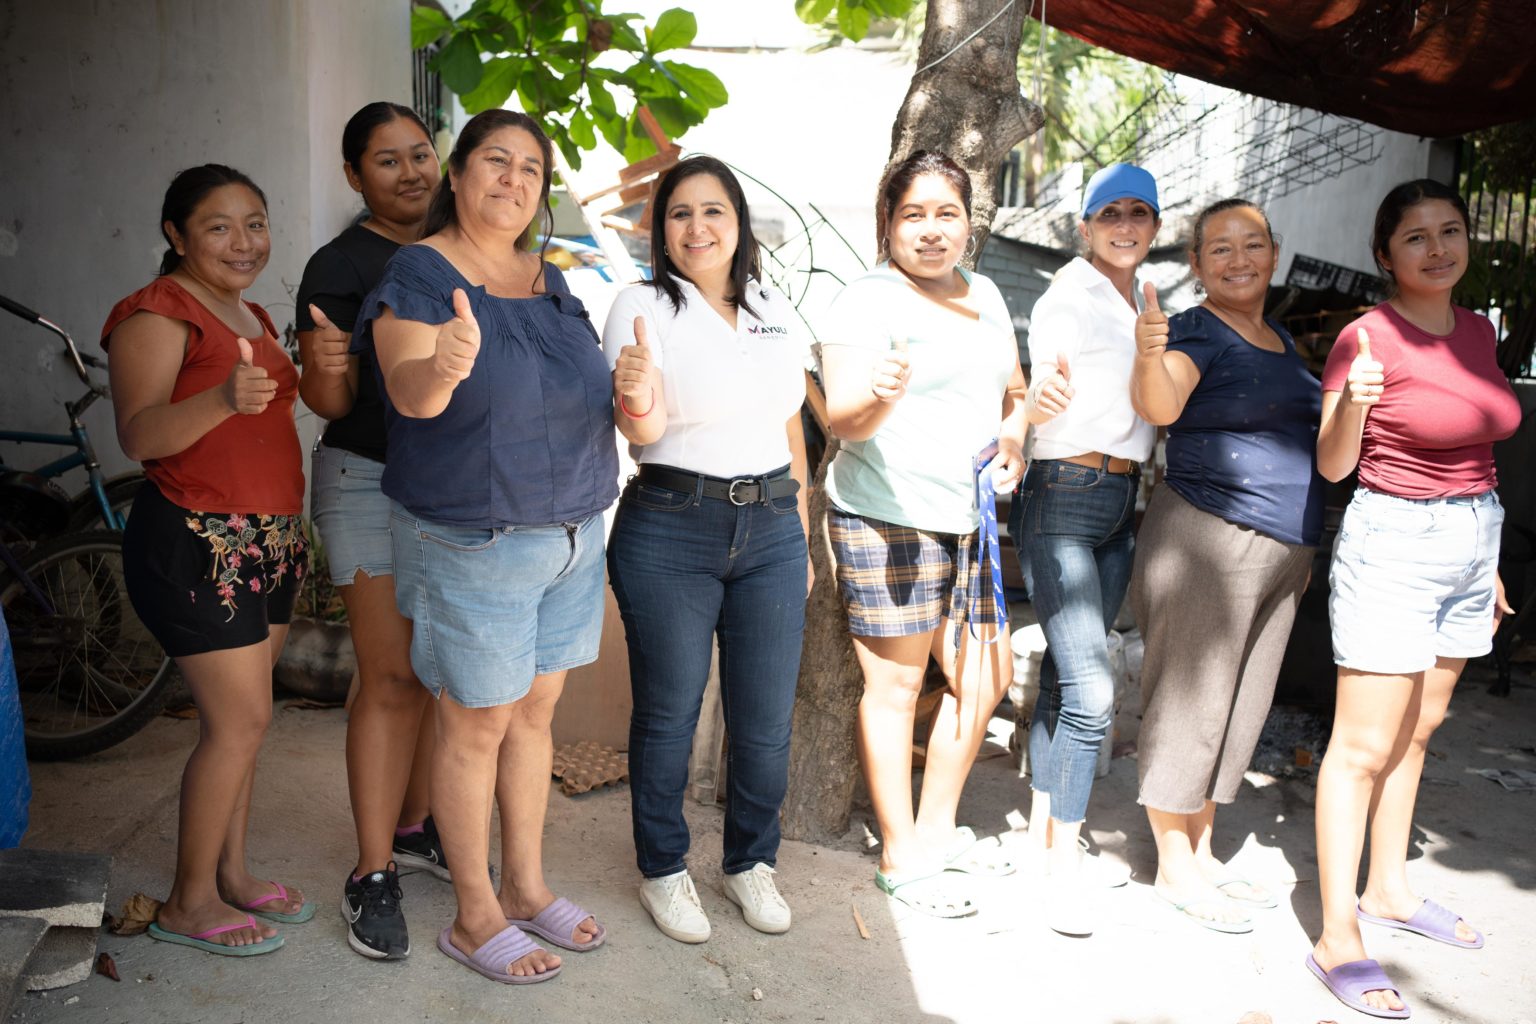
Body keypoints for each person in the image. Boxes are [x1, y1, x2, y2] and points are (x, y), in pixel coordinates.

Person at [355, 108, 617, 985]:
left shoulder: (549, 278)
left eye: (531, 169)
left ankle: (527, 884)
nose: (513, 180)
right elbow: (408, 392)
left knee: (533, 718)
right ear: (458, 176)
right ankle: (473, 915)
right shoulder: (422, 273)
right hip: (477, 535)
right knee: (478, 724)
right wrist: (446, 365)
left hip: (573, 533)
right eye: (495, 162)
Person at [1307, 179, 1520, 1019]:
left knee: (1421, 729)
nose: (1438, 249)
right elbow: (1332, 466)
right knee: (1360, 747)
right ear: (1385, 256)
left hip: (1472, 539)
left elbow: (1478, 443)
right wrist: (1352, 409)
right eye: (1416, 239)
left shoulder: (1478, 328)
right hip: (1394, 540)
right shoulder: (1368, 336)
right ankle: (1335, 936)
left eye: (1451, 231)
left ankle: (1389, 889)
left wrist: (1488, 559)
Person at [602, 155, 811, 943]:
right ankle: (663, 870)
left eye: (713, 210)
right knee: (671, 710)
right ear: (661, 230)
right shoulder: (642, 305)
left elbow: (790, 422)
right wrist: (637, 392)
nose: (697, 227)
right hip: (671, 524)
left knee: (763, 720)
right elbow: (643, 430)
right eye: (680, 213)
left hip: (773, 527)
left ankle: (750, 862)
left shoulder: (771, 305)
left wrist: (803, 525)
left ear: (739, 222)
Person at [104, 164, 310, 956]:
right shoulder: (158, 311)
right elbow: (140, 434)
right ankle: (188, 902)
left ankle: (232, 872)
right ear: (176, 235)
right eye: (219, 225)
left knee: (248, 727)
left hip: (268, 542)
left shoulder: (251, 310)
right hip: (196, 539)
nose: (243, 240)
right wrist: (223, 398)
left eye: (255, 222)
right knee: (241, 720)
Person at [820, 150, 1027, 918]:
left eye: (948, 213)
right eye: (914, 214)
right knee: (898, 686)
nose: (932, 230)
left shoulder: (990, 293)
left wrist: (1015, 436)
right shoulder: (866, 301)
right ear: (889, 224)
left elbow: (1012, 393)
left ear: (969, 224)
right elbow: (841, 418)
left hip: (968, 519)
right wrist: (877, 397)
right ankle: (899, 852)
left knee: (987, 678)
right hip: (888, 513)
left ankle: (938, 827)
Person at [1128, 198, 1323, 934]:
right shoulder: (1195, 330)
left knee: (1239, 704)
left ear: (1275, 253)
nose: (1238, 259)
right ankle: (1172, 867)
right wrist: (1151, 354)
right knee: (1192, 698)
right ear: (1196, 265)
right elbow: (1163, 403)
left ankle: (1201, 848)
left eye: (1252, 245)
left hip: (1282, 548)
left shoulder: (1277, 337)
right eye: (1220, 249)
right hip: (1213, 539)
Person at [296, 101, 447, 961]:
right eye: (385, 161)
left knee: (430, 673)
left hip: (450, 492)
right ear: (355, 177)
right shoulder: (342, 263)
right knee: (389, 677)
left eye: (419, 153)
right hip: (367, 482)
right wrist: (321, 371)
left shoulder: (461, 246)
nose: (410, 172)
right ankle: (372, 870)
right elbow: (332, 404)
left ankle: (419, 827)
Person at [1007, 163, 1158, 935]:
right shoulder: (1070, 296)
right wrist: (1040, 398)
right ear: (1085, 227)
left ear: (1155, 226)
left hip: (1120, 498)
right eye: (1110, 214)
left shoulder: (1149, 302)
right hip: (1065, 489)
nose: (1124, 225)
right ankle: (1062, 863)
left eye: (1139, 212)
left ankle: (1041, 834)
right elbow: (1048, 376)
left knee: (1070, 679)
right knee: (1097, 693)